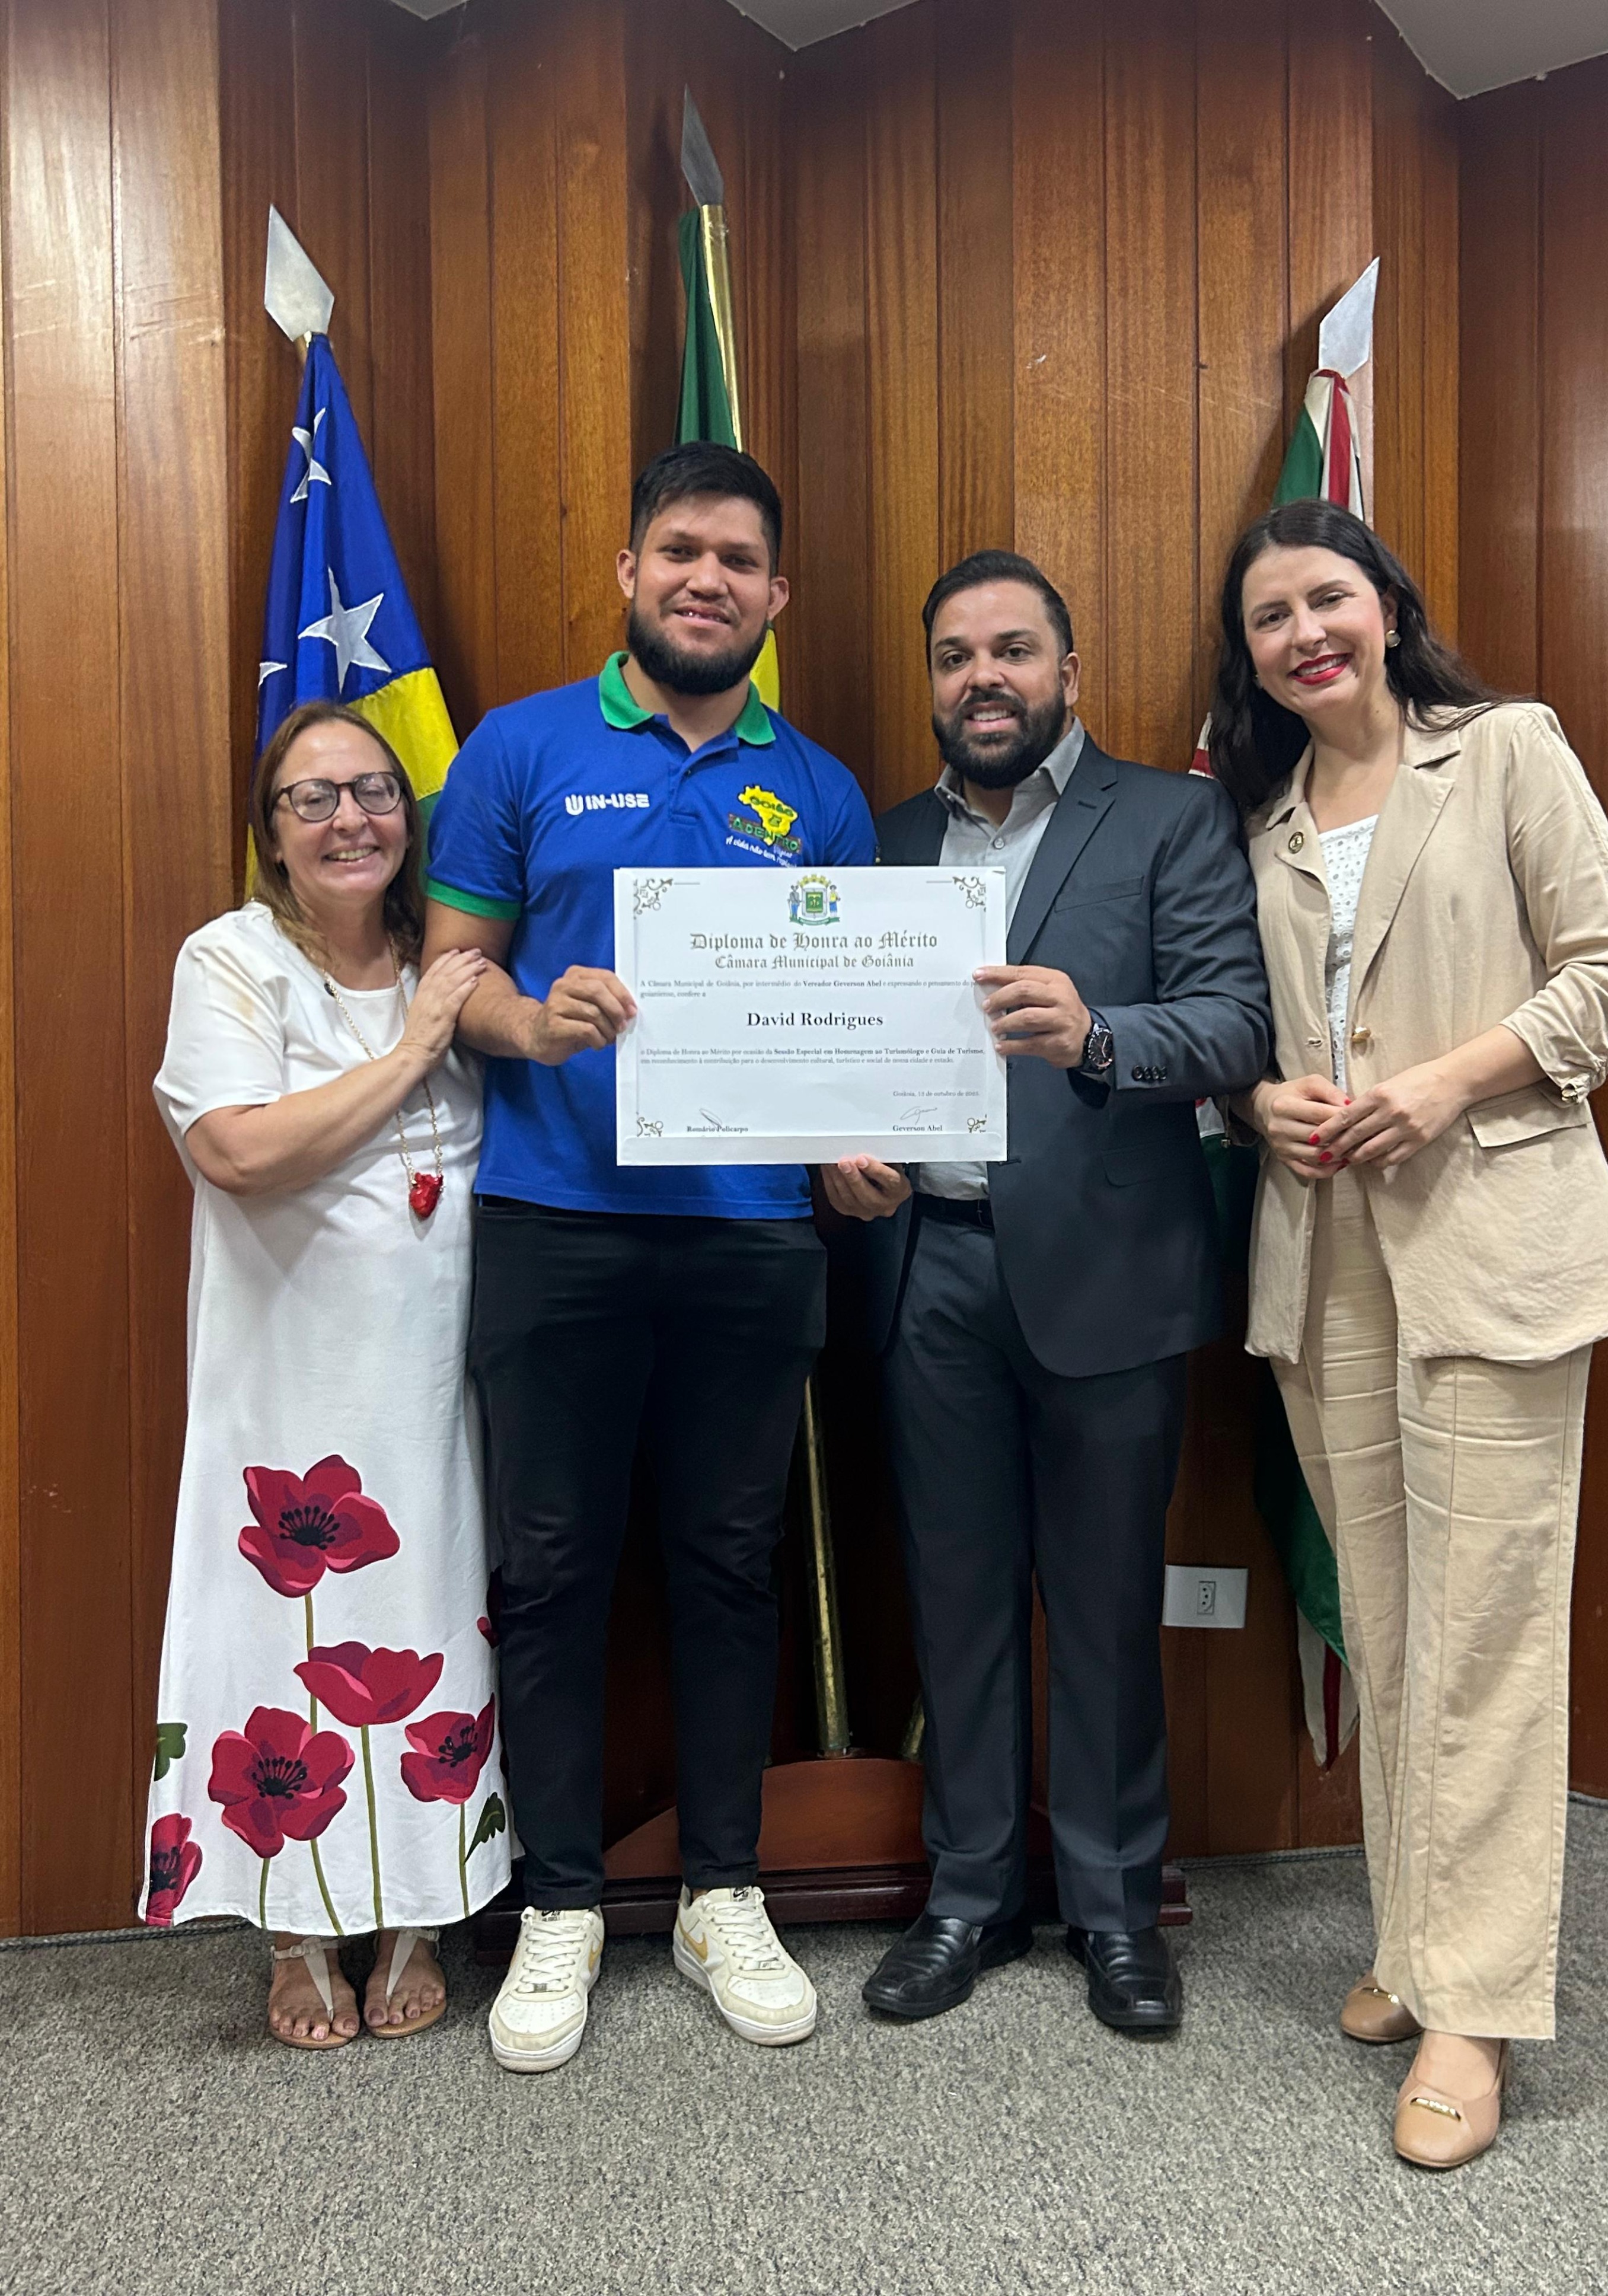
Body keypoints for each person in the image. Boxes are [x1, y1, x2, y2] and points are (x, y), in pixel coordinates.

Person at [1208, 499, 1608, 2168]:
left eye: (1327, 599)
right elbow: (1257, 1039)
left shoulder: (1509, 750)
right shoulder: (1263, 822)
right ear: (1252, 656)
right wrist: (1263, 1101)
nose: (1303, 634)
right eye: (1270, 618)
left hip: (1494, 1241)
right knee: (1393, 1621)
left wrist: (1447, 1083)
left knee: (1484, 1634)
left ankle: (1475, 2007)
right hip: (1324, 1260)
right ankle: (1414, 1941)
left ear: (1386, 609)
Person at [420, 442, 875, 2074]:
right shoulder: (520, 746)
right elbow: (451, 971)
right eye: (680, 550)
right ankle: (559, 1899)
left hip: (752, 1238)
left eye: (738, 560)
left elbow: (844, 1023)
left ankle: (720, 1890)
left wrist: (855, 1144)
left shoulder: (817, 789)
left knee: (730, 1561)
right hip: (556, 1224)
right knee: (552, 1567)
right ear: (630, 572)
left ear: (776, 596)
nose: (707, 580)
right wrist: (531, 1021)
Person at [826, 550, 1272, 2033]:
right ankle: (968, 1897)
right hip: (927, 1271)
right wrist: (840, 1151)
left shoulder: (1169, 819)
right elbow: (837, 1043)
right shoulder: (887, 842)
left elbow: (1235, 1025)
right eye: (956, 656)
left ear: (1067, 672)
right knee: (955, 1607)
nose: (985, 678)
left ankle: (1116, 1908)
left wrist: (1096, 1034)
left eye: (1013, 650)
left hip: (1108, 1275)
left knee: (1104, 1608)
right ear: (935, 683)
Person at [143, 700, 509, 2049]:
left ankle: (421, 1908)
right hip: (288, 1387)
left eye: (375, 791)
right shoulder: (233, 959)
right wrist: (414, 1048)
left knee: (433, 1610)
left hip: (434, 1379)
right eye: (315, 798)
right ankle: (294, 1933)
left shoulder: (454, 962)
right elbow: (235, 1151)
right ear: (273, 830)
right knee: (279, 1636)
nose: (351, 818)